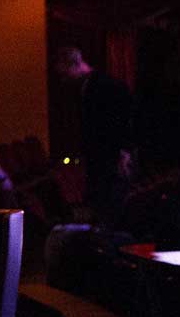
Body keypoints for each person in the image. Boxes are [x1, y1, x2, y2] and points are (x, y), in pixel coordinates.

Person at [54, 46, 134, 221]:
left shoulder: (104, 85)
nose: (65, 80)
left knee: (111, 204)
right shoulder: (91, 85)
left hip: (110, 155)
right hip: (101, 156)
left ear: (75, 64)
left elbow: (121, 119)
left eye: (66, 74)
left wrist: (123, 150)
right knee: (104, 203)